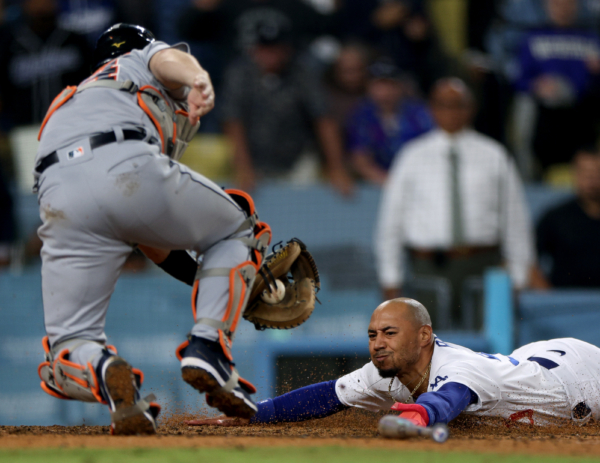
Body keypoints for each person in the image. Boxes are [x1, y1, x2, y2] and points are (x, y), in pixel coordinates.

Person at [34, 23, 274, 435]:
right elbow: (167, 59)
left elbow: (152, 238)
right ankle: (209, 348)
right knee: (238, 227)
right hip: (122, 158)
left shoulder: (68, 101)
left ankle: (107, 372)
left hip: (58, 197)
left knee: (68, 346)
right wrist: (197, 79)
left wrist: (219, 281)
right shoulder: (137, 59)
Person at [188, 298, 600, 427]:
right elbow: (327, 397)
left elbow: (449, 398)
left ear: (424, 336)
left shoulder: (458, 367)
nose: (377, 344)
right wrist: (253, 414)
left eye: (389, 333)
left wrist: (419, 415)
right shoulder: (384, 372)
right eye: (372, 335)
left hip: (577, 379)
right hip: (529, 359)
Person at [375, 77, 540, 330]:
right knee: (426, 352)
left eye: (458, 104)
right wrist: (390, 277)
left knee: (486, 352)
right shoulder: (412, 157)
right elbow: (391, 223)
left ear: (470, 108)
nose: (451, 111)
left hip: (483, 265)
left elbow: (515, 219)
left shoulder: (494, 155)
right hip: (428, 267)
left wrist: (518, 276)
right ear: (432, 108)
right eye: (443, 104)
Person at [220, 17, 353, 194]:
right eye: (264, 48)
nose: (270, 54)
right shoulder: (239, 74)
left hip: (298, 160)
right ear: (254, 49)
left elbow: (324, 119)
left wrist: (336, 168)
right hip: (254, 161)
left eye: (276, 48)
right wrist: (243, 167)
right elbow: (233, 122)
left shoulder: (302, 73)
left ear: (287, 49)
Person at [512, 0, 600, 171]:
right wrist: (535, 85)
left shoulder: (591, 39)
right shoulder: (533, 38)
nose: (563, 9)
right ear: (547, 6)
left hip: (583, 113)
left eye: (568, 4)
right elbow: (519, 79)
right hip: (546, 116)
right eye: (557, 4)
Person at [0, 0, 92, 127]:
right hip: (24, 130)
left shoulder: (75, 41)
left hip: (74, 125)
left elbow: (91, 86)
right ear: (24, 5)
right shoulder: (9, 45)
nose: (41, 5)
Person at [346, 57, 433, 185]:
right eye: (379, 85)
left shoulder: (420, 114)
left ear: (400, 86)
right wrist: (391, 184)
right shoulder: (361, 116)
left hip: (420, 181)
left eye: (390, 85)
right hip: (380, 185)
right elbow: (360, 160)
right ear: (369, 87)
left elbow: (433, 151)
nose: (384, 93)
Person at [536, 147, 600, 287]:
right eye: (585, 172)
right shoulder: (555, 219)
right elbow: (528, 259)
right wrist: (547, 299)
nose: (592, 179)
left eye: (596, 172)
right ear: (574, 174)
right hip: (565, 303)